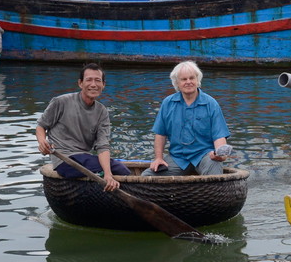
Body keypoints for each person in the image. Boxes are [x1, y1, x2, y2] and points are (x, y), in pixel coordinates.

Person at [37, 62, 127, 191]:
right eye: (89, 80)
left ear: (103, 85)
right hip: (64, 160)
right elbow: (41, 126)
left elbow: (103, 146)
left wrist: (108, 174)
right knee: (114, 168)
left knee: (120, 169)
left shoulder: (102, 112)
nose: (93, 84)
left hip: (84, 158)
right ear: (80, 83)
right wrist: (42, 142)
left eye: (98, 80)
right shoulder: (61, 102)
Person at [148, 60, 230, 175]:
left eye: (192, 78)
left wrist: (219, 155)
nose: (188, 82)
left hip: (204, 156)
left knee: (214, 168)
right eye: (184, 79)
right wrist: (158, 158)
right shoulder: (168, 103)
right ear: (177, 83)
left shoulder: (211, 104)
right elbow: (160, 134)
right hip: (177, 158)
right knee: (148, 176)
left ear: (197, 80)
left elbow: (219, 136)